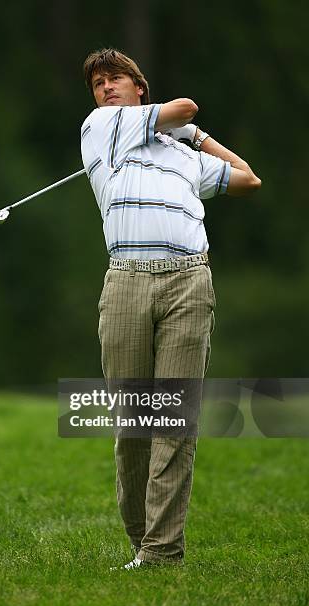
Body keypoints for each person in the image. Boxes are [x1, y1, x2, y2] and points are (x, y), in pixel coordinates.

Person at [81, 48, 261, 570]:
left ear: (140, 88)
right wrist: (180, 121)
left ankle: (162, 553)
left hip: (189, 282)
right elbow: (185, 105)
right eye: (98, 82)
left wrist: (193, 140)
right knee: (134, 424)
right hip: (127, 284)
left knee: (174, 421)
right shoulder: (101, 129)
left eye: (116, 79)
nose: (106, 87)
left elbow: (248, 177)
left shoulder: (182, 155)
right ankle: (143, 541)